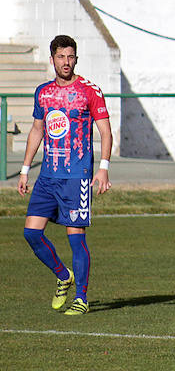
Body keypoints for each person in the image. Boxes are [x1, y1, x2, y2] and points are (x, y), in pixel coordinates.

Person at [17, 35, 113, 315]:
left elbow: (105, 131)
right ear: (52, 60)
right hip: (48, 175)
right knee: (31, 233)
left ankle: (81, 298)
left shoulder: (89, 90)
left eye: (70, 57)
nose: (66, 62)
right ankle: (63, 275)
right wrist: (25, 170)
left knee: (76, 237)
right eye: (61, 57)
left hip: (77, 176)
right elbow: (37, 130)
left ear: (76, 59)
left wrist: (103, 168)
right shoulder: (43, 92)